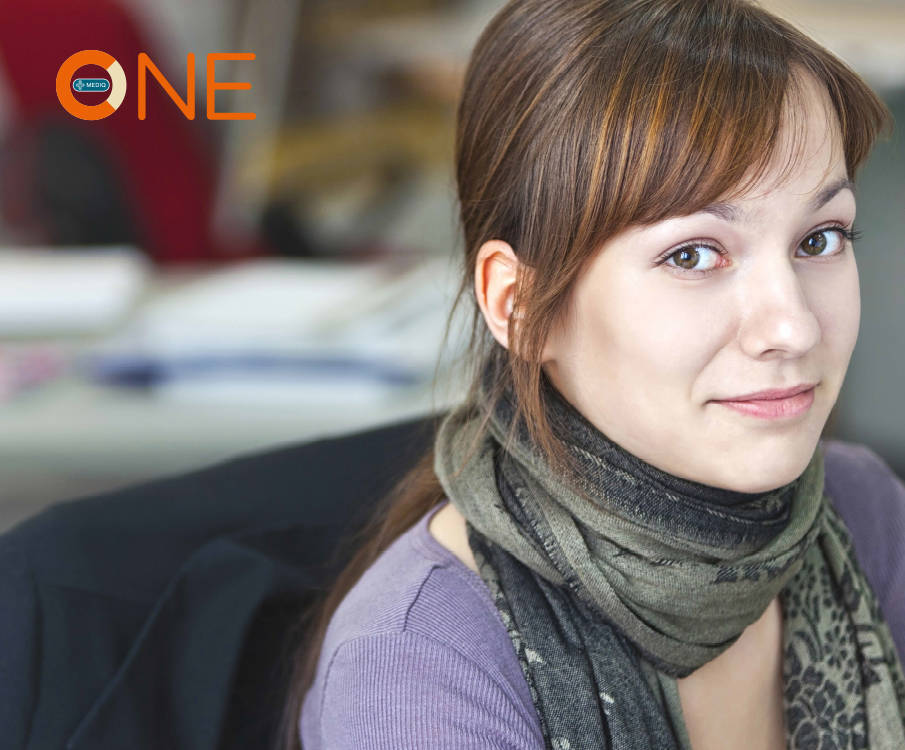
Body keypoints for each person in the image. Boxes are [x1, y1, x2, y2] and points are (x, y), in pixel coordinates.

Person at [282, 1, 905, 748]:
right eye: (692, 255)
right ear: (519, 306)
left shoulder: (861, 509)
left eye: (820, 237)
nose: (792, 326)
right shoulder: (418, 670)